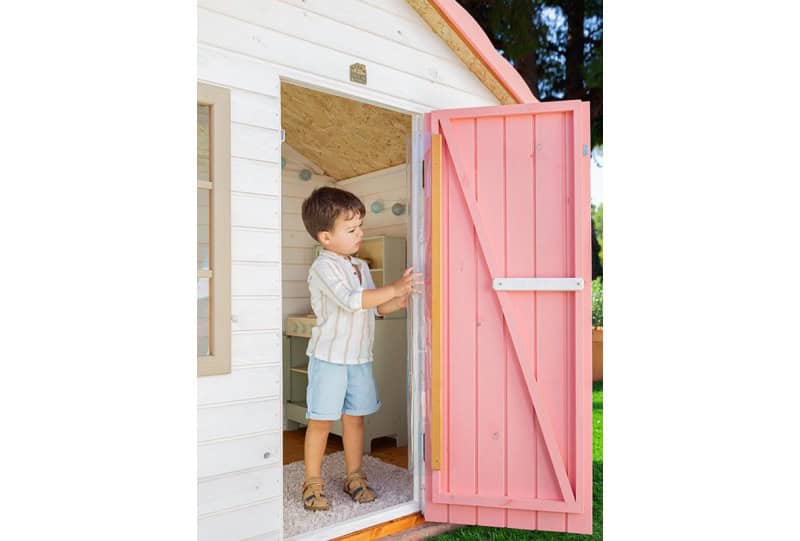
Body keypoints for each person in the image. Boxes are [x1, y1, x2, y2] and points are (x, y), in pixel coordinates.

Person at [299, 186, 422, 512]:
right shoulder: (323, 267)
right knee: (322, 421)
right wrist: (391, 287)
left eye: (360, 226)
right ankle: (312, 482)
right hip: (329, 359)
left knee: (355, 420)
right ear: (326, 237)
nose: (360, 233)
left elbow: (374, 308)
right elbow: (353, 301)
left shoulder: (360, 267)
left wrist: (400, 296)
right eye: (351, 229)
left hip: (359, 359)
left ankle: (354, 476)